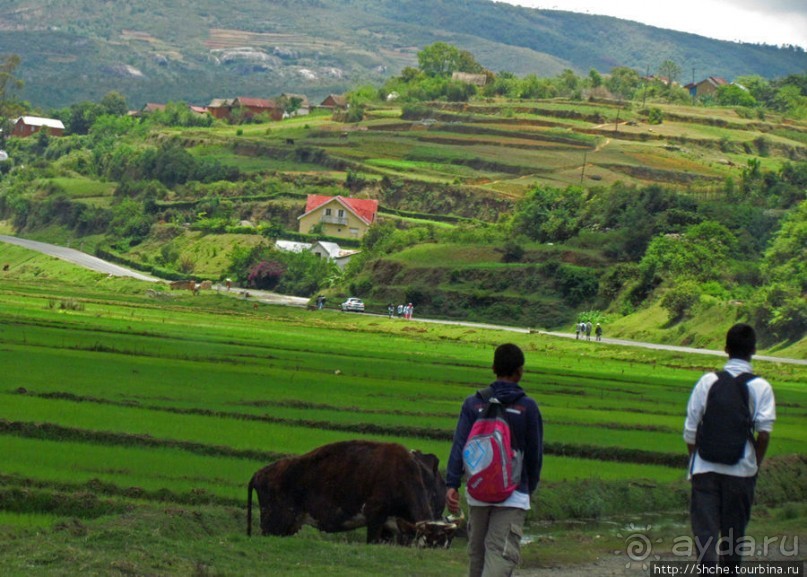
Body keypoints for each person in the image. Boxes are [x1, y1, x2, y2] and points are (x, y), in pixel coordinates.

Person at [683, 323, 775, 574]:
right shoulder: (761, 387)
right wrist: (754, 463)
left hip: (704, 469)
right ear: (754, 350)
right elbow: (764, 433)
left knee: (705, 535)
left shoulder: (707, 381)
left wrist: (697, 460)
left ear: (725, 349)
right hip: (741, 471)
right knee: (734, 539)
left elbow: (690, 431)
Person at [446, 343, 544, 577]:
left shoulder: (473, 404)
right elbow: (534, 454)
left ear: (493, 368)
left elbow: (460, 444)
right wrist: (528, 488)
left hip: (478, 491)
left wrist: (452, 484)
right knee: (499, 552)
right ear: (520, 371)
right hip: (513, 493)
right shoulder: (527, 407)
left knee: (477, 553)